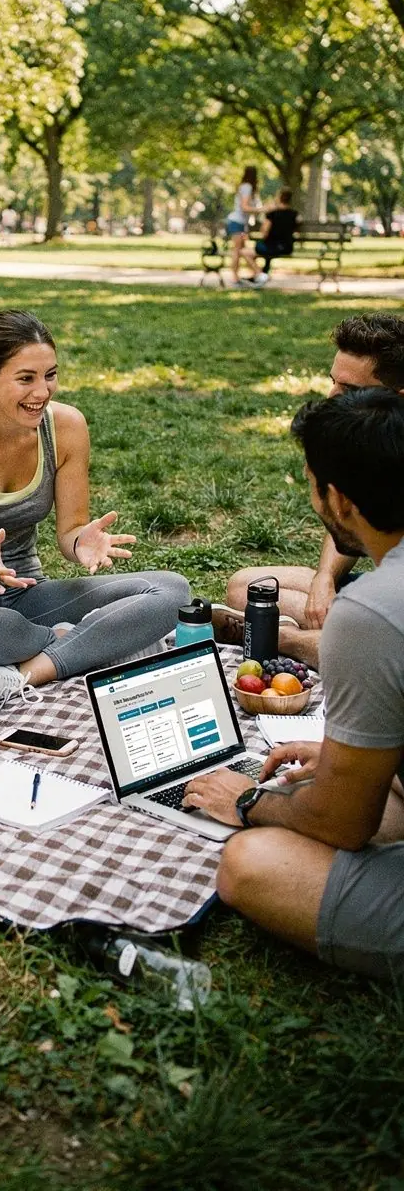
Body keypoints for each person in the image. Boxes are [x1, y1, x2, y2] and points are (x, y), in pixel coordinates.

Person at [185, 389, 404, 981]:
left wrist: (249, 801)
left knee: (250, 860)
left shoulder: (371, 613)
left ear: (337, 498)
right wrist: (345, 760)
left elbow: (341, 825)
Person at [0, 310, 190, 711]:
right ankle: (87, 641)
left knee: (172, 591)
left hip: (24, 595)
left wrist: (80, 541)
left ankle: (29, 671)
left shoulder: (66, 427)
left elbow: (69, 532)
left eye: (50, 375)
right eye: (25, 378)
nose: (42, 392)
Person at [221, 314, 404, 667]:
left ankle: (291, 639)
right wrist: (325, 579)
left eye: (350, 391)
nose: (331, 397)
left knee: (368, 639)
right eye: (333, 382)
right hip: (383, 585)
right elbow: (351, 522)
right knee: (248, 588)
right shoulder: (369, 441)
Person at [224, 166, 260, 285]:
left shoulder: (248, 188)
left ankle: (254, 274)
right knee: (237, 250)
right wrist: (261, 210)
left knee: (243, 250)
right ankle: (235, 278)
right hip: (236, 222)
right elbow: (244, 207)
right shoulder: (247, 187)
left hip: (242, 224)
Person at [255, 187, 298, 281]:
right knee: (268, 250)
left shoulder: (272, 214)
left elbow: (264, 232)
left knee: (254, 248)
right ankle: (263, 273)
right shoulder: (294, 214)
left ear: (279, 197)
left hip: (272, 247)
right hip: (287, 248)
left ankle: (261, 275)